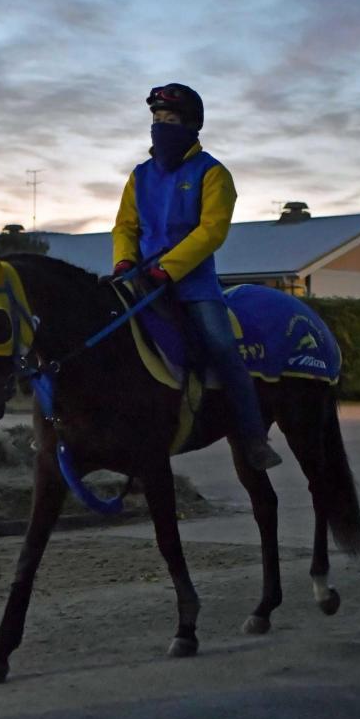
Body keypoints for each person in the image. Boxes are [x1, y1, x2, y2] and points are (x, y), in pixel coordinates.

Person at [111, 83, 282, 472]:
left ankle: (254, 437)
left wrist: (167, 268)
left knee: (223, 348)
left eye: (169, 120)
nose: (160, 127)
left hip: (193, 286)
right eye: (155, 120)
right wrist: (124, 262)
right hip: (141, 281)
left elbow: (212, 230)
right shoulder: (139, 175)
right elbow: (125, 225)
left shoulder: (213, 173)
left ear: (191, 125)